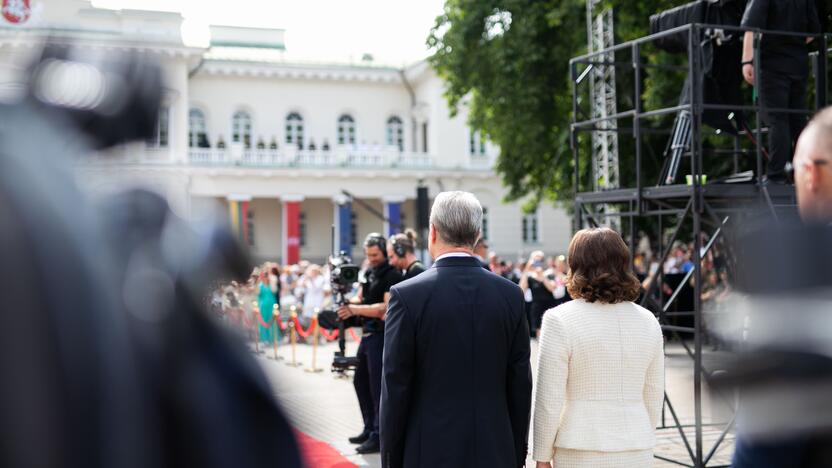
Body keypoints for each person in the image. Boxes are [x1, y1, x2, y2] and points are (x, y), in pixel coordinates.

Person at [380, 191, 532, 468]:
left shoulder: (406, 296)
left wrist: (390, 458)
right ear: (476, 235)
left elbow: (395, 386)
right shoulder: (510, 295)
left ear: (433, 232)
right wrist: (517, 450)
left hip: (428, 450)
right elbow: (520, 382)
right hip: (495, 449)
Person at [532, 228, 664, 468]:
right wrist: (641, 431)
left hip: (579, 447)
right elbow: (654, 393)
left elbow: (548, 398)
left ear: (576, 265)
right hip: (636, 446)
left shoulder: (559, 319)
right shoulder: (649, 321)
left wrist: (541, 456)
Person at [740, 0, 821, 183]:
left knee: (778, 120)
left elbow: (752, 29)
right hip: (797, 64)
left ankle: (776, 174)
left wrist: (747, 61)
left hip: (772, 65)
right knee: (798, 120)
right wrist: (792, 44)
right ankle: (804, 172)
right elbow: (812, 33)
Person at [336, 233, 402, 454]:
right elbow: (362, 298)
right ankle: (368, 427)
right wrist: (344, 300)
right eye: (368, 255)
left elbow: (385, 308)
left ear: (384, 251)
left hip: (381, 336)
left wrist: (354, 309)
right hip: (366, 336)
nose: (372, 258)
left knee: (376, 388)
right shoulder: (369, 272)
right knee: (360, 382)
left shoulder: (392, 275)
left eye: (375, 254)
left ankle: (378, 434)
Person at [519, 250, 557, 337]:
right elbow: (521, 290)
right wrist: (526, 270)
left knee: (552, 334)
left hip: (549, 307)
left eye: (540, 261)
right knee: (539, 335)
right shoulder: (530, 277)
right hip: (537, 308)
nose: (538, 263)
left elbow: (552, 288)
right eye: (535, 261)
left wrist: (542, 275)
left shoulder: (549, 274)